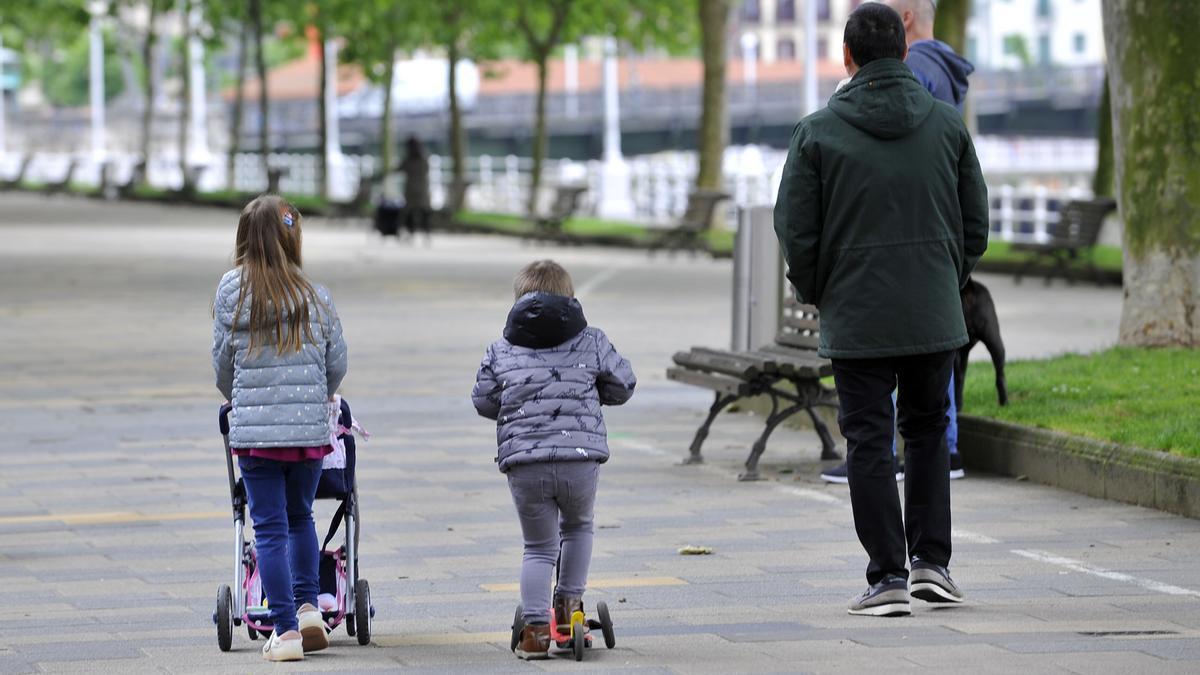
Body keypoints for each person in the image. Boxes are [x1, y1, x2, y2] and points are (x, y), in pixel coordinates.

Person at [773, 3, 988, 617]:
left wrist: (821, 290)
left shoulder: (817, 131)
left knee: (868, 441)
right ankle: (932, 565)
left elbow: (796, 230)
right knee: (925, 434)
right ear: (905, 48)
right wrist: (945, 280)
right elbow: (976, 222)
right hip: (932, 314)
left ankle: (887, 575)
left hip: (858, 315)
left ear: (847, 57)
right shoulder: (948, 125)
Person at [820, 0, 975, 485]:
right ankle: (943, 465)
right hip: (932, 270)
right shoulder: (946, 79)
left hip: (877, 269)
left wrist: (821, 285)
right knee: (929, 404)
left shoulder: (913, 76)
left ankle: (887, 545)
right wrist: (952, 272)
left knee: (878, 413)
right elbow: (974, 212)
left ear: (904, 22)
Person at [471, 260, 636, 660]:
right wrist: (594, 394)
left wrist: (519, 410)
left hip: (526, 463)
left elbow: (484, 399)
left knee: (538, 547)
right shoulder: (593, 341)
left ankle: (534, 631)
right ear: (571, 300)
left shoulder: (501, 348)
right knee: (578, 528)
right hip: (580, 459)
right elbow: (623, 383)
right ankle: (567, 611)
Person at [212, 195, 349, 661]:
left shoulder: (231, 291)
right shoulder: (316, 294)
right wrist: (316, 397)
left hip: (255, 435)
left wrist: (239, 395)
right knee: (300, 518)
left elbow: (222, 367)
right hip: (309, 432)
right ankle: (310, 607)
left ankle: (286, 630)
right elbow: (337, 365)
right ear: (294, 238)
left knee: (268, 527)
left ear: (243, 239)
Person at [398, 136, 432, 239]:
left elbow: (399, 169)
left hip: (411, 188)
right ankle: (426, 231)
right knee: (424, 210)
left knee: (409, 211)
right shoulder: (424, 158)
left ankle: (411, 231)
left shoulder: (408, 159)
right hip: (423, 188)